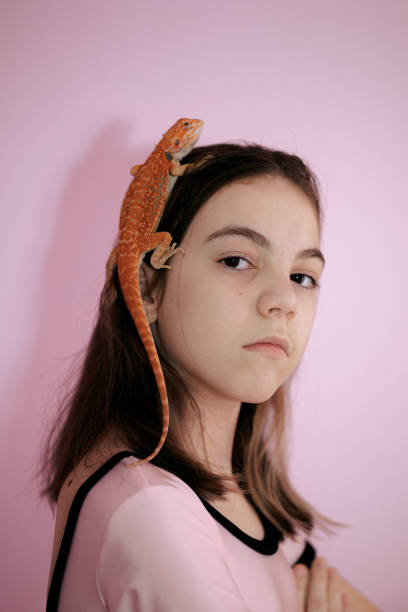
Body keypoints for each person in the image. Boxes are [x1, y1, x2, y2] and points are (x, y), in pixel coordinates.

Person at [41, 141, 380, 611]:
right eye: (236, 260)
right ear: (147, 286)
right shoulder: (153, 511)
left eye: (303, 276)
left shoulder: (252, 506)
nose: (282, 299)